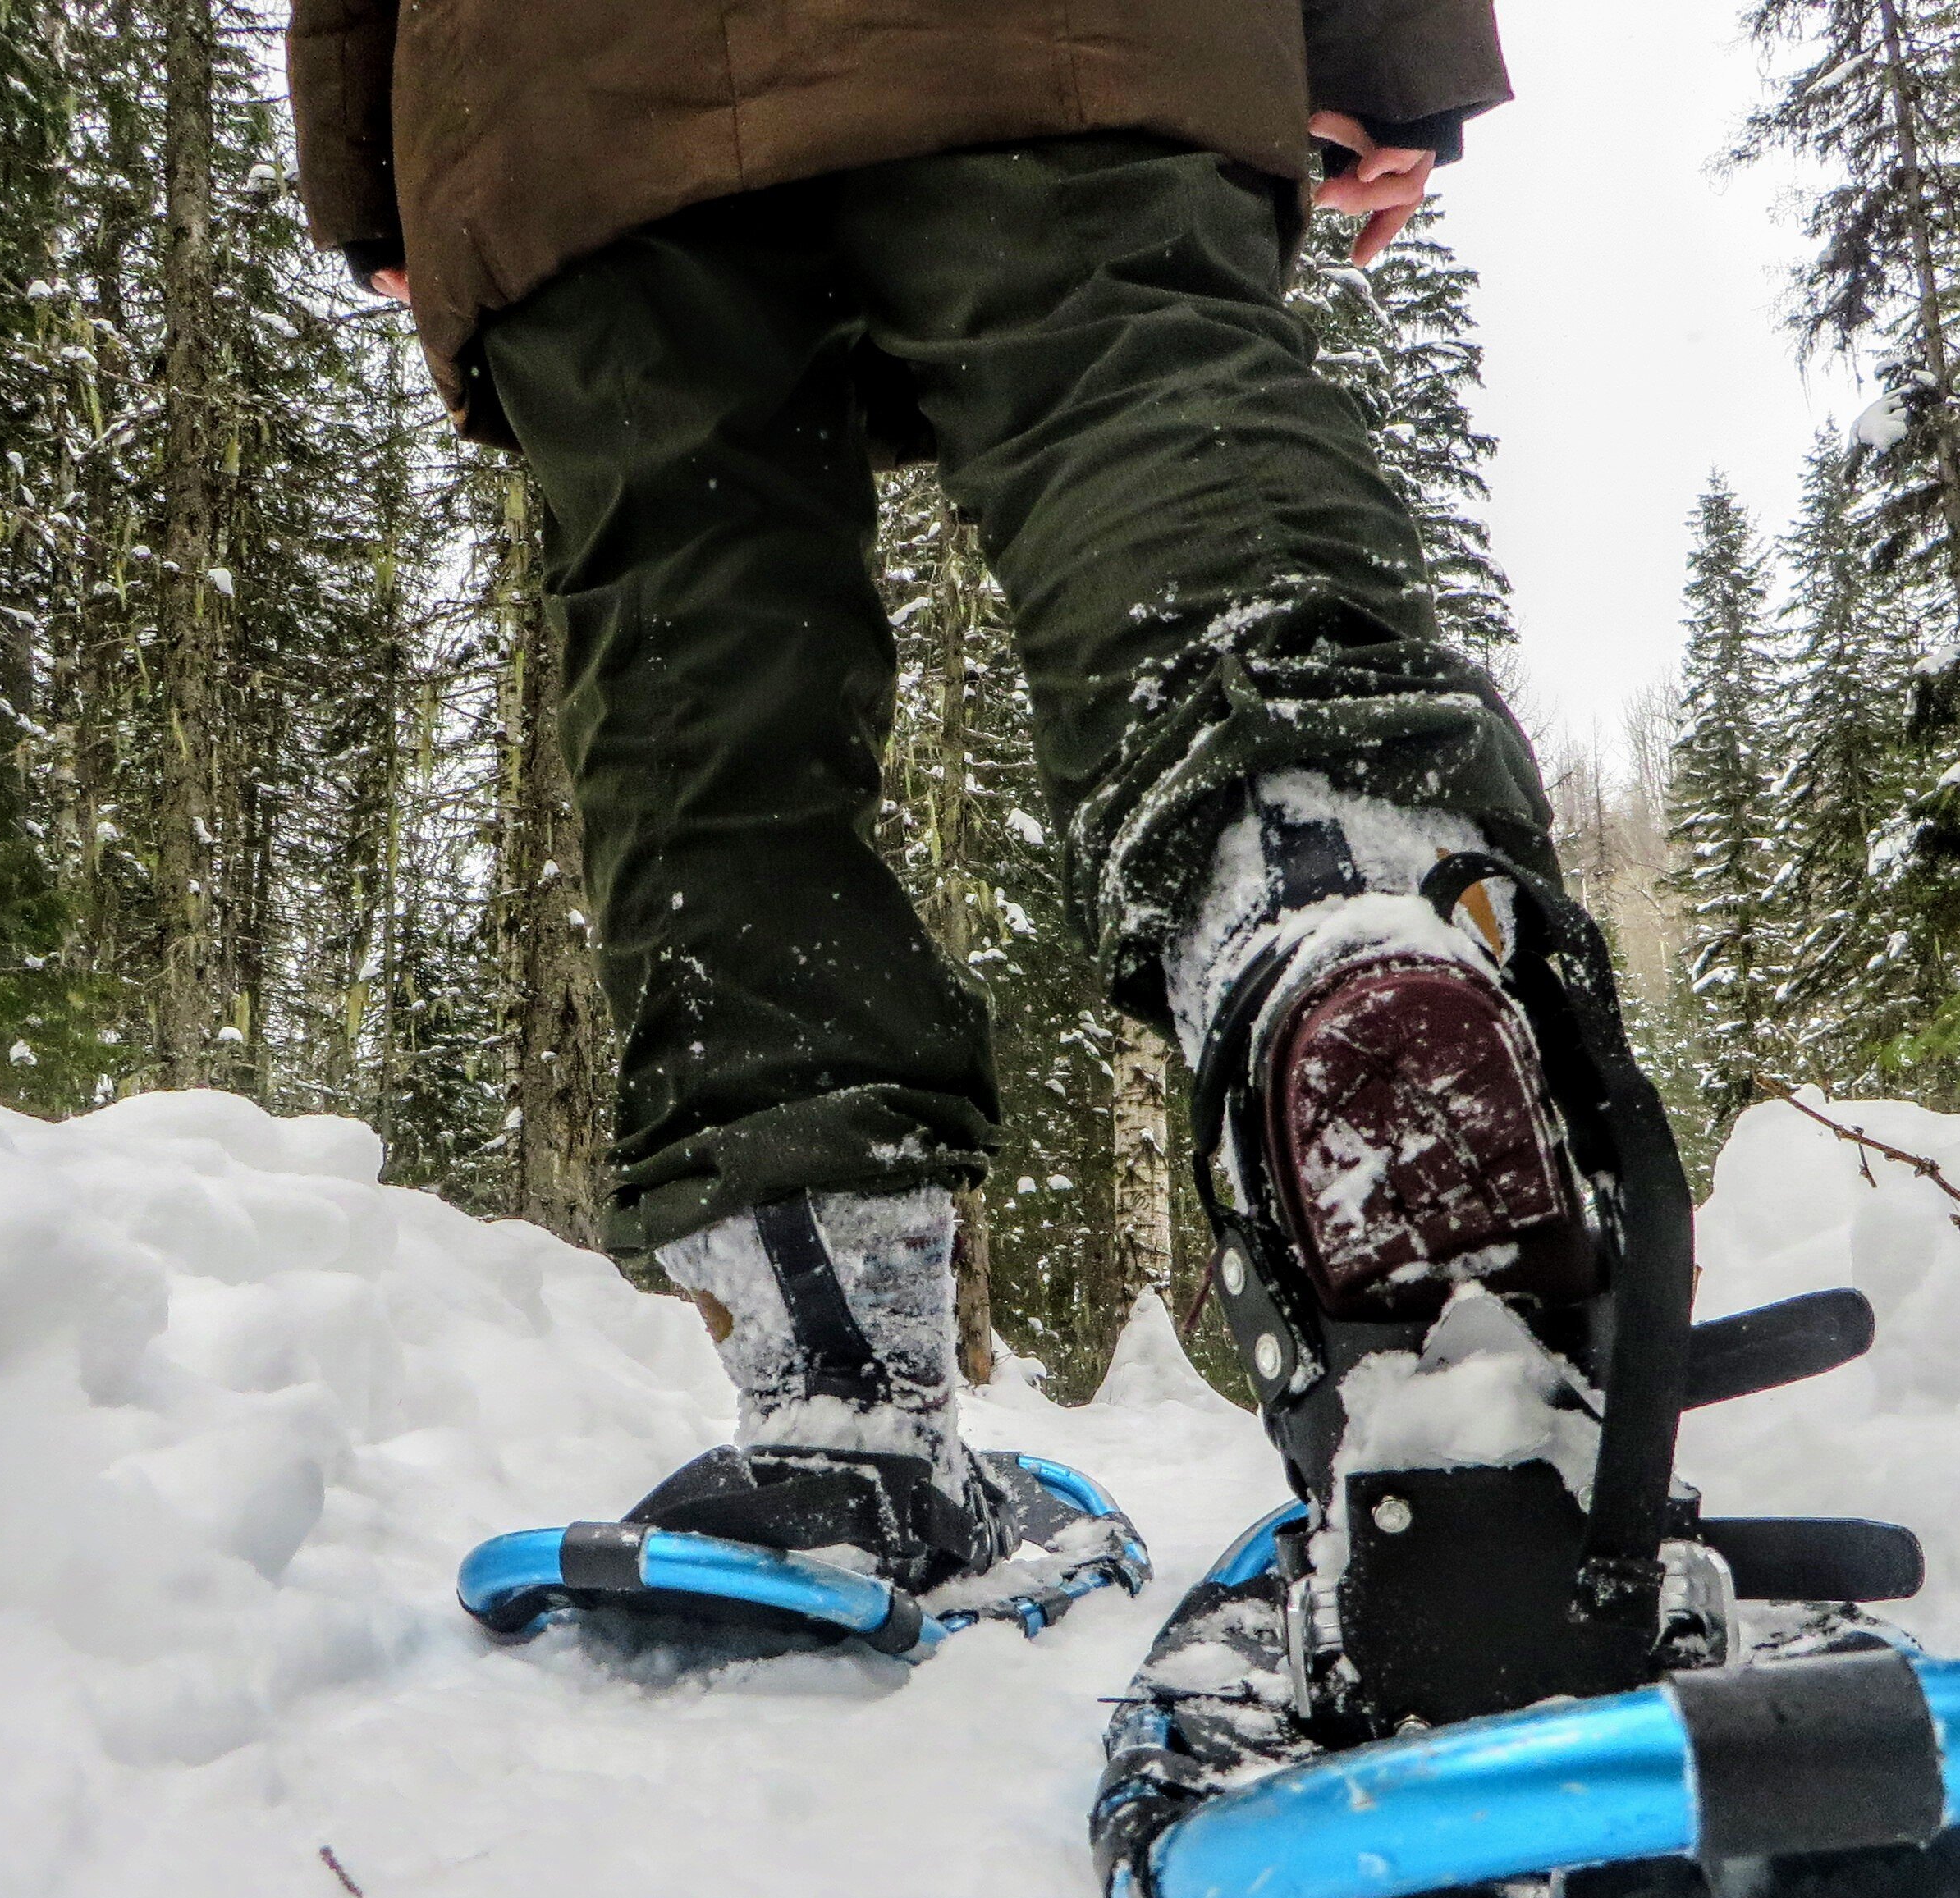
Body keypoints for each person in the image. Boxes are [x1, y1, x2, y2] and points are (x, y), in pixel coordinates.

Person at [286, 0, 1592, 1594]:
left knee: (695, 641)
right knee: (1145, 407)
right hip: (1052, 39)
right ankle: (1346, 943)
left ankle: (832, 1381)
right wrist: (1390, 59)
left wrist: (375, 167)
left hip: (566, 78)